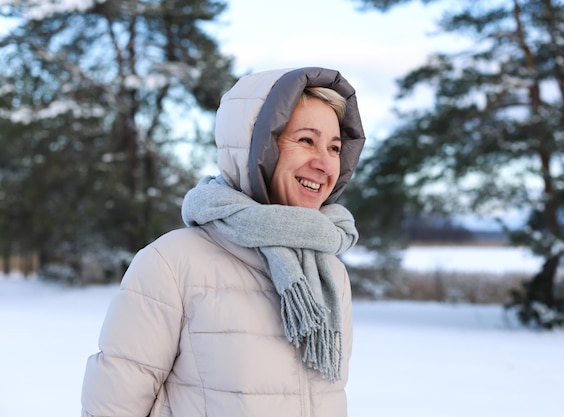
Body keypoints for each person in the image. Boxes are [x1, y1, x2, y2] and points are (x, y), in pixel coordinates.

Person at [80, 67, 366, 417]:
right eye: (306, 140)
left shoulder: (328, 272)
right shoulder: (172, 263)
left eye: (335, 148)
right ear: (257, 148)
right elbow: (112, 408)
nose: (325, 164)